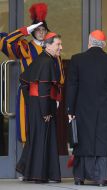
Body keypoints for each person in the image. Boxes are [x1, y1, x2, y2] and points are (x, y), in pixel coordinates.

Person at [66, 30, 107, 186]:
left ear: (89, 42)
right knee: (102, 140)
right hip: (104, 107)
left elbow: (71, 87)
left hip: (82, 107)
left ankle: (79, 177)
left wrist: (70, 110)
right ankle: (102, 177)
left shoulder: (77, 59)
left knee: (83, 139)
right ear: (104, 45)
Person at [0, 3, 64, 143]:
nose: (41, 32)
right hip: (28, 94)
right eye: (37, 29)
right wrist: (26, 30)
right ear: (33, 31)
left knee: (47, 135)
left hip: (49, 96)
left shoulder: (53, 49)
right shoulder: (25, 47)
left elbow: (59, 76)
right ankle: (28, 163)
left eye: (43, 29)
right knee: (28, 134)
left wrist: (58, 97)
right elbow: (6, 42)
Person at [16, 32, 63, 183]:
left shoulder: (41, 59)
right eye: (58, 45)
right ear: (48, 45)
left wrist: (31, 102)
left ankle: (29, 171)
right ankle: (40, 176)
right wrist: (45, 111)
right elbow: (43, 88)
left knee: (36, 138)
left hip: (37, 105)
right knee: (42, 139)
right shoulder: (47, 62)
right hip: (43, 105)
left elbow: (23, 80)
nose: (61, 48)